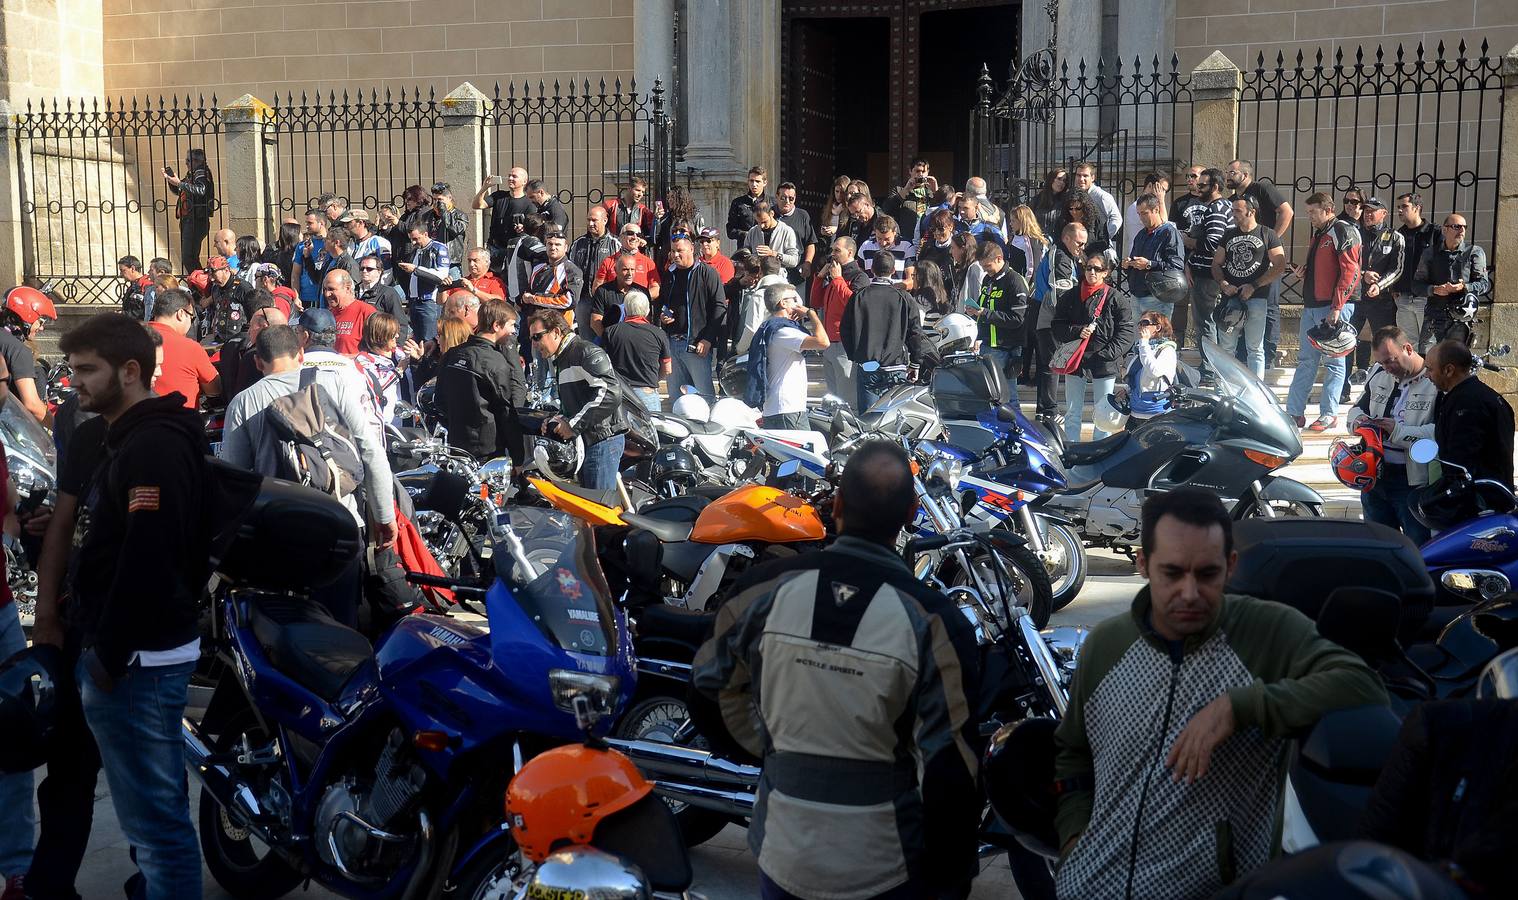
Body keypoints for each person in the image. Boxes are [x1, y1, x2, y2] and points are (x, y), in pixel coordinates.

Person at [1053, 488, 1387, 899]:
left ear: (1230, 567)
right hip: (1089, 887)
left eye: (1207, 574)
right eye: (1172, 573)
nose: (1190, 593)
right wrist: (1074, 843)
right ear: (1143, 564)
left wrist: (1239, 707)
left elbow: (1361, 684)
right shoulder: (1106, 645)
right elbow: (1072, 755)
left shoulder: (1266, 632)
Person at [691, 439, 981, 900]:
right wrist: (952, 874)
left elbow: (708, 685)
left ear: (838, 505)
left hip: (782, 851)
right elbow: (951, 768)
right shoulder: (935, 623)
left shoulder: (761, 589)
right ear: (910, 516)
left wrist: (772, 750)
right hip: (887, 866)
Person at [57, 313, 218, 899]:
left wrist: (108, 656)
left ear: (130, 371)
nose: (74, 382)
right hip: (129, 654)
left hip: (138, 661)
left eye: (86, 371)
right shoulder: (124, 436)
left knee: (157, 829)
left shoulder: (153, 445)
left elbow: (149, 558)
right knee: (151, 820)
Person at [219, 322, 397, 626]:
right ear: (302, 354)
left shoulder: (244, 401)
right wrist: (383, 516)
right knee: (341, 627)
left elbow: (234, 481)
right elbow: (371, 452)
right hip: (340, 525)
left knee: (288, 632)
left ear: (258, 361)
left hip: (278, 532)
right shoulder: (334, 383)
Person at [1346, 326, 1436, 544]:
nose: (1386, 368)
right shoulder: (1378, 373)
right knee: (1378, 546)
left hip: (1412, 482)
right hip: (1374, 476)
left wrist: (1397, 431)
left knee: (1418, 548)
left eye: (1390, 360)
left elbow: (1439, 434)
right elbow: (1355, 410)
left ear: (1407, 348)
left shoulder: (1434, 380)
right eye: (1382, 362)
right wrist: (1359, 422)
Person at [527, 310, 628, 491]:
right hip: (587, 440)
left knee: (599, 511)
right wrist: (556, 420)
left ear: (556, 332)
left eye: (537, 337)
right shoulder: (563, 358)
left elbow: (610, 393)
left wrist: (572, 425)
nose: (534, 344)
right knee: (586, 511)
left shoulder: (584, 351)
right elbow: (577, 400)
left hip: (602, 440)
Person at [1286, 192, 1361, 432]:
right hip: (1313, 304)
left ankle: (1329, 414)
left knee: (1334, 362)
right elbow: (1326, 269)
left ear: (1328, 209)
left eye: (1313, 212)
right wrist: (1305, 273)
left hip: (1331, 306)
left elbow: (1351, 271)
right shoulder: (1321, 232)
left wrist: (1337, 307)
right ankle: (1294, 412)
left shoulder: (1342, 230)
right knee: (1306, 360)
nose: (1309, 217)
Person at [1051, 254, 1135, 443]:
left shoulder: (1116, 298)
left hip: (1103, 362)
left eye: (1097, 269)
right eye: (1089, 268)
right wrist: (1077, 331)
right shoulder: (1071, 295)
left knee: (1105, 412)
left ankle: (1100, 449)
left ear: (1105, 272)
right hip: (1076, 360)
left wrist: (1107, 354)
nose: (1092, 272)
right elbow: (1057, 326)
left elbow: (1127, 332)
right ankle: (1072, 449)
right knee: (1072, 411)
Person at [841, 252, 931, 411]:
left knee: (869, 417)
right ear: (893, 270)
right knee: (894, 417)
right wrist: (915, 363)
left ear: (872, 270)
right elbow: (916, 333)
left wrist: (855, 355)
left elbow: (845, 329)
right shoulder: (903, 298)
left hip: (868, 364)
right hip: (895, 365)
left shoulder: (859, 296)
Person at [1225, 159, 1294, 366]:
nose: (1227, 175)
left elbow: (1287, 211)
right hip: (1244, 262)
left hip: (1268, 259)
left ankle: (1269, 355)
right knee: (1242, 301)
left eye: (1232, 172)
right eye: (1227, 172)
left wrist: (1270, 241)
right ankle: (1242, 353)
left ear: (1245, 175)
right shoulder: (1233, 200)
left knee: (1269, 305)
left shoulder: (1262, 188)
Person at [439, 300, 526, 462]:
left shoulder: (451, 354)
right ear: (496, 326)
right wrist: (518, 456)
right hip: (487, 450)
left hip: (456, 445)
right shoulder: (496, 362)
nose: (513, 331)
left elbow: (440, 401)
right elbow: (506, 411)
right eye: (511, 325)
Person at [1211, 193, 1286, 379]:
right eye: (1232, 210)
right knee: (1226, 348)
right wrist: (1223, 283)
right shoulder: (1228, 235)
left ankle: (1257, 393)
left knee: (1255, 348)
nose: (1233, 214)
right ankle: (1226, 390)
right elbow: (1216, 264)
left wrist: (1254, 285)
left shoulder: (1268, 234)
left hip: (1257, 299)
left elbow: (1280, 265)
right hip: (1231, 301)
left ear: (1251, 212)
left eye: (1237, 210)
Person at [1426, 339, 1514, 488]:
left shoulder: (1465, 405)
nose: (1427, 375)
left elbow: (1460, 464)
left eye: (1430, 369)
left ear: (1448, 370)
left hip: (1478, 500)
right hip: (1493, 493)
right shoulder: (1486, 396)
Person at [746, 283, 828, 430]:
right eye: (794, 300)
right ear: (783, 303)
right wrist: (811, 314)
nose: (799, 304)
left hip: (778, 408)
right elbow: (823, 342)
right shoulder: (783, 331)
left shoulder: (771, 328)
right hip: (787, 409)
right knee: (803, 453)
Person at [656, 236, 725, 401]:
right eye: (673, 251)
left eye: (679, 250)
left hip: (696, 345)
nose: (675, 255)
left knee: (704, 397)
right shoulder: (669, 274)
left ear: (692, 249)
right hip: (672, 343)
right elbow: (662, 303)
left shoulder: (707, 273)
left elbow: (720, 307)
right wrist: (663, 316)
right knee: (677, 399)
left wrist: (707, 339)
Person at [1030, 223, 1087, 425]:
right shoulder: (1061, 257)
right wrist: (1068, 319)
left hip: (1048, 315)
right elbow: (1059, 292)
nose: (1082, 247)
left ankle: (1043, 410)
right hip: (1049, 316)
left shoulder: (1067, 256)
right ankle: (1050, 410)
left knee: (1048, 364)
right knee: (1051, 364)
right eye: (1079, 242)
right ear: (1067, 238)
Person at [1412, 213, 1489, 351]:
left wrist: (1464, 287)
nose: (1462, 231)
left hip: (1461, 318)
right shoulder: (1430, 253)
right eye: (1457, 227)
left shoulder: (1474, 252)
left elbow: (1484, 284)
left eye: (1464, 227)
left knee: (1455, 361)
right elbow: (1417, 285)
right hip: (1435, 315)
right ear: (1444, 229)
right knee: (1427, 357)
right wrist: (1434, 289)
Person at [1183, 167, 1233, 375]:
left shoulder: (1216, 209)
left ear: (1214, 187)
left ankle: (1210, 370)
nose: (1197, 187)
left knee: (1205, 324)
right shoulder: (1224, 206)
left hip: (1208, 275)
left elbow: (1213, 242)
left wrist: (1188, 241)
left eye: (1202, 185)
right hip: (1208, 273)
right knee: (1210, 323)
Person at [1349, 198, 1406, 382]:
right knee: (1347, 342)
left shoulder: (1395, 237)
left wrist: (1379, 285)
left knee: (1386, 345)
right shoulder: (1355, 234)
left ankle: (1386, 385)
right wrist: (1364, 274)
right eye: (1366, 210)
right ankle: (1344, 388)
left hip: (1382, 301)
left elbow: (1397, 269)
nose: (1368, 214)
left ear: (1384, 214)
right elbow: (1347, 265)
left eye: (1373, 211)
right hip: (1355, 297)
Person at [811, 237, 869, 404]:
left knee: (846, 397)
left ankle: (849, 429)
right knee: (833, 397)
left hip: (845, 344)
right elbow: (816, 301)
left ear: (850, 253)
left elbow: (854, 305)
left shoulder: (859, 277)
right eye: (832, 250)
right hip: (829, 342)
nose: (833, 254)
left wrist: (837, 279)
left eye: (837, 250)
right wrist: (820, 278)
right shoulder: (836, 276)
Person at [147, 287, 221, 409]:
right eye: (191, 318)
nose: (191, 323)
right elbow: (214, 389)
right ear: (181, 314)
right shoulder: (190, 347)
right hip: (181, 422)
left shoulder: (132, 337)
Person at [602, 290, 670, 412]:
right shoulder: (659, 333)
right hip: (647, 392)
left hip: (620, 392)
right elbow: (667, 368)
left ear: (625, 310)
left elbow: (603, 364)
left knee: (620, 430)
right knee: (651, 429)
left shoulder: (610, 332)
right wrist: (653, 379)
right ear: (647, 310)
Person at [1123, 192, 1187, 319]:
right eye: (1139, 214)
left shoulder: (1169, 233)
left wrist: (1149, 264)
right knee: (1140, 338)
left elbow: (1176, 267)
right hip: (1137, 294)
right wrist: (1128, 264)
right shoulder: (1141, 234)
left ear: (1156, 210)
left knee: (1157, 337)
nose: (1141, 217)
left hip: (1157, 296)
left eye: (1145, 213)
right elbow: (1135, 263)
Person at [970, 242, 1028, 378]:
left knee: (1008, 395)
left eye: (988, 266)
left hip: (1006, 347)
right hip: (987, 343)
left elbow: (1018, 318)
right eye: (983, 266)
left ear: (999, 259)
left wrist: (985, 313)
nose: (985, 270)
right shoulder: (988, 279)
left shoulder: (1015, 280)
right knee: (991, 394)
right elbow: (983, 307)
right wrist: (974, 311)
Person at [353, 313, 418, 431]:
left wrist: (419, 361)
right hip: (384, 428)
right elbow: (374, 388)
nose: (398, 336)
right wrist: (397, 372)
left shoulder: (401, 354)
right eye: (393, 334)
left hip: (410, 423)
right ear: (381, 336)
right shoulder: (364, 360)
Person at [1114, 311, 1178, 423]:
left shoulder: (1167, 350)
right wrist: (1127, 390)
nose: (1140, 326)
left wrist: (1144, 343)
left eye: (1145, 323)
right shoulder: (1143, 349)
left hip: (1157, 413)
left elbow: (1154, 372)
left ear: (1158, 327)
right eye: (1139, 323)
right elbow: (1138, 375)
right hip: (1136, 411)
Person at [1169, 164, 1207, 346]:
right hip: (1183, 261)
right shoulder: (1180, 203)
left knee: (1205, 311)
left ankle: (1206, 348)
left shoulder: (1212, 203)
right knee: (1179, 306)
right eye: (1187, 176)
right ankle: (1177, 346)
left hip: (1206, 263)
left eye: (1193, 176)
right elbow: (1174, 233)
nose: (1189, 179)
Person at [1393, 193, 1437, 341]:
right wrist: (1393, 288)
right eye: (1398, 207)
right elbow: (1394, 264)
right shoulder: (1398, 234)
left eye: (1404, 206)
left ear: (1417, 208)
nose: (1399, 210)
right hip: (1403, 297)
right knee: (1409, 343)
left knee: (1429, 342)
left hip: (1426, 297)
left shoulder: (1434, 232)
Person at [396, 222, 451, 342]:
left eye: (416, 239)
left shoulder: (438, 248)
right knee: (416, 340)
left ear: (425, 234)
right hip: (414, 301)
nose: (413, 243)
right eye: (411, 239)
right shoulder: (416, 250)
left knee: (429, 341)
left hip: (429, 302)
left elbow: (442, 277)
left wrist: (416, 269)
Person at [476, 168, 536, 271]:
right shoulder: (499, 196)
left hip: (515, 249)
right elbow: (477, 205)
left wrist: (524, 228)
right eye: (509, 176)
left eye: (514, 176)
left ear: (524, 182)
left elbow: (532, 228)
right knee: (492, 279)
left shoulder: (529, 203)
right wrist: (484, 188)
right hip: (494, 248)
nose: (510, 178)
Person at [163, 147, 213, 272]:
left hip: (196, 220)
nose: (186, 163)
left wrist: (179, 183)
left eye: (188, 160)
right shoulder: (192, 174)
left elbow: (201, 190)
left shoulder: (201, 172)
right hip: (189, 219)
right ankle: (198, 286)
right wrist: (172, 181)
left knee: (189, 258)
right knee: (190, 257)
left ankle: (200, 286)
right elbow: (180, 191)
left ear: (197, 161)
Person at [592, 223, 661, 297]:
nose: (634, 237)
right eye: (630, 233)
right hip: (614, 306)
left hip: (638, 306)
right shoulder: (608, 261)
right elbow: (597, 288)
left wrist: (640, 299)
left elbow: (655, 288)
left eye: (638, 235)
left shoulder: (648, 262)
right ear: (621, 237)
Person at [774, 182, 818, 290]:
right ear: (777, 197)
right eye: (783, 197)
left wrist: (808, 263)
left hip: (797, 273)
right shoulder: (770, 215)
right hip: (774, 272)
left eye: (791, 198)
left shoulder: (803, 215)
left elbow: (810, 242)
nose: (787, 201)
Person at [355, 255, 409, 341]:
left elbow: (400, 324)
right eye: (362, 268)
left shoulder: (388, 293)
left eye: (369, 269)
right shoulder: (352, 291)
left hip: (377, 343)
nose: (364, 271)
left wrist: (397, 348)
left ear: (379, 271)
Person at [323, 270, 376, 357]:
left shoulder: (366, 312)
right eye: (325, 289)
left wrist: (347, 358)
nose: (327, 294)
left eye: (331, 289)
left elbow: (378, 352)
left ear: (347, 288)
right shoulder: (328, 315)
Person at [588, 251, 641, 337]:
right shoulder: (602, 291)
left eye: (632, 269)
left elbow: (646, 321)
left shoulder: (641, 292)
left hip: (636, 341)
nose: (630, 274)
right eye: (625, 269)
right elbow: (595, 322)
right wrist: (608, 341)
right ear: (616, 270)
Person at [743, 199, 800, 278]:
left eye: (764, 222)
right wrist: (751, 258)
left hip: (777, 280)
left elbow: (794, 261)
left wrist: (774, 254)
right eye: (758, 222)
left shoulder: (786, 231)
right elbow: (746, 251)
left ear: (772, 214)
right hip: (756, 280)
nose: (761, 226)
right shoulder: (753, 231)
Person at [204, 254, 255, 342]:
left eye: (214, 273)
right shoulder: (215, 289)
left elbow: (254, 314)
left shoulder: (243, 287)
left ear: (226, 270)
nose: (211, 279)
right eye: (209, 274)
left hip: (240, 340)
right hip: (219, 339)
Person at [420, 182, 469, 272]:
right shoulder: (427, 216)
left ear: (449, 198)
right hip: (431, 261)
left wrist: (443, 212)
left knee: (453, 286)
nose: (437, 202)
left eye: (440, 199)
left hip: (451, 263)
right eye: (434, 199)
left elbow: (455, 230)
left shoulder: (460, 215)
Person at [1072, 162, 1122, 248]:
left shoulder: (1101, 196)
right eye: (1078, 175)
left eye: (1085, 176)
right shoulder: (1076, 195)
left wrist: (1103, 239)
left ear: (1092, 178)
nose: (1081, 179)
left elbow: (1116, 218)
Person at [857, 214, 918, 283]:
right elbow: (859, 276)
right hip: (870, 291)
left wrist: (889, 289)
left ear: (894, 232)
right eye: (879, 238)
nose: (883, 243)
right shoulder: (866, 246)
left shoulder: (906, 246)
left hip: (896, 292)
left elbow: (911, 280)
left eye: (887, 239)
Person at [1121, 172, 1169, 258]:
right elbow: (1164, 226)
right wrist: (1161, 201)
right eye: (1161, 189)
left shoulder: (1151, 207)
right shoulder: (1139, 207)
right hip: (1141, 256)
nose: (1162, 194)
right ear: (1150, 186)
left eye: (1165, 191)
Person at [570, 205, 619, 287]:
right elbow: (570, 269)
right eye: (588, 220)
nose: (590, 224)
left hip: (605, 293)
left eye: (594, 220)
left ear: (605, 221)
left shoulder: (616, 243)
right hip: (582, 294)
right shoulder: (578, 243)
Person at [292, 209, 330, 308]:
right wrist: (296, 296)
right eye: (306, 223)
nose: (307, 226)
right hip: (306, 297)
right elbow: (295, 273)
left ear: (321, 223)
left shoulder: (330, 243)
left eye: (310, 223)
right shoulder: (302, 245)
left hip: (326, 296)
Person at [726, 165, 769, 241]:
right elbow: (730, 231)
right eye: (751, 181)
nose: (754, 184)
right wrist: (745, 234)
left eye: (758, 181)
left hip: (766, 247)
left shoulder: (771, 203)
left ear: (765, 183)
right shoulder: (738, 203)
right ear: (748, 181)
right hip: (745, 248)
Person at [1033, 167, 1069, 237]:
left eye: (1064, 180)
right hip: (1039, 241)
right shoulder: (1037, 200)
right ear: (1051, 179)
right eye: (1059, 179)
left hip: (1058, 243)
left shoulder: (1066, 201)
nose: (1062, 183)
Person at [817, 174, 853, 244]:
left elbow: (850, 229)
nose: (839, 195)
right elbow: (823, 224)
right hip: (830, 246)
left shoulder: (851, 209)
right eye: (837, 191)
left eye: (842, 192)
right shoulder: (830, 207)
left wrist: (836, 229)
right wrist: (823, 230)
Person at [117, 255, 152, 320]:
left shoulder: (146, 286)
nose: (120, 274)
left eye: (123, 270)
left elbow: (143, 312)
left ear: (133, 268)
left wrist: (123, 314)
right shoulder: (133, 286)